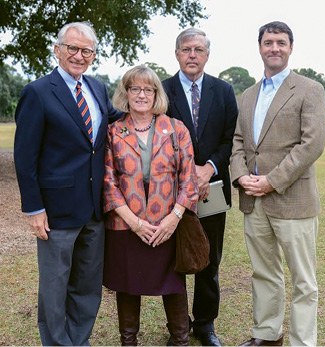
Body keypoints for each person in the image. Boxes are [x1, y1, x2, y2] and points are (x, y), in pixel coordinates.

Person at [14, 22, 122, 345]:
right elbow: (25, 157)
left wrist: (154, 108)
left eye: (86, 50)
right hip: (56, 210)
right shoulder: (38, 92)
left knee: (87, 285)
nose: (78, 55)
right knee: (55, 286)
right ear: (58, 49)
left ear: (93, 55)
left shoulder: (98, 88)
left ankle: (79, 340)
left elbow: (117, 120)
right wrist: (34, 208)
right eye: (72, 48)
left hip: (93, 207)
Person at [230, 21, 325, 346]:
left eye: (281, 42)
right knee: (263, 272)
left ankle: (302, 342)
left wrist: (271, 181)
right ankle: (267, 335)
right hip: (253, 201)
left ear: (290, 48)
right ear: (259, 47)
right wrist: (241, 175)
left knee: (304, 281)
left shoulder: (309, 89)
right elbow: (239, 140)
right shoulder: (248, 95)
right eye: (268, 42)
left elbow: (311, 144)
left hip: (293, 200)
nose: (274, 48)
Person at [103, 64, 198, 346]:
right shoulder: (113, 132)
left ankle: (180, 340)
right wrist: (135, 223)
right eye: (135, 88)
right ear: (126, 92)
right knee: (128, 286)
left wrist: (173, 219)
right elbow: (108, 183)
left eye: (148, 89)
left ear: (156, 94)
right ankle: (128, 341)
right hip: (126, 224)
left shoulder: (176, 129)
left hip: (167, 222)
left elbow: (189, 179)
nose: (141, 95)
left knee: (173, 285)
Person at [162, 28, 238, 346]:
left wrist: (207, 170)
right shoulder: (162, 91)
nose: (192, 55)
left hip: (212, 190)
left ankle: (205, 325)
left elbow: (229, 139)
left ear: (208, 54)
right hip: (170, 191)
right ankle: (179, 326)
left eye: (198, 49)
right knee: (173, 258)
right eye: (186, 49)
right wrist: (186, 176)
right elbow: (156, 139)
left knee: (209, 259)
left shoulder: (223, 91)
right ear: (176, 54)